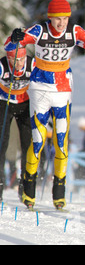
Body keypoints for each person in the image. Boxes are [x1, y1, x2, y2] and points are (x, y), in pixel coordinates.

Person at [4, 0, 85, 210]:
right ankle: (29, 189)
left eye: (64, 18)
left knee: (61, 142)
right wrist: (15, 37)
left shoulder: (74, 31)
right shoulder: (40, 31)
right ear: (50, 18)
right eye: (57, 19)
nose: (61, 23)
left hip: (63, 89)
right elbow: (10, 45)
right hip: (40, 87)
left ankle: (59, 193)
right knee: (38, 140)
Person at [0, 45, 35, 201]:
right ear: (9, 57)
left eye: (21, 58)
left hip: (25, 105)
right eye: (14, 59)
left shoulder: (32, 64)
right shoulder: (2, 65)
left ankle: (25, 188)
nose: (19, 63)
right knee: (2, 145)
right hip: (4, 103)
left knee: (28, 146)